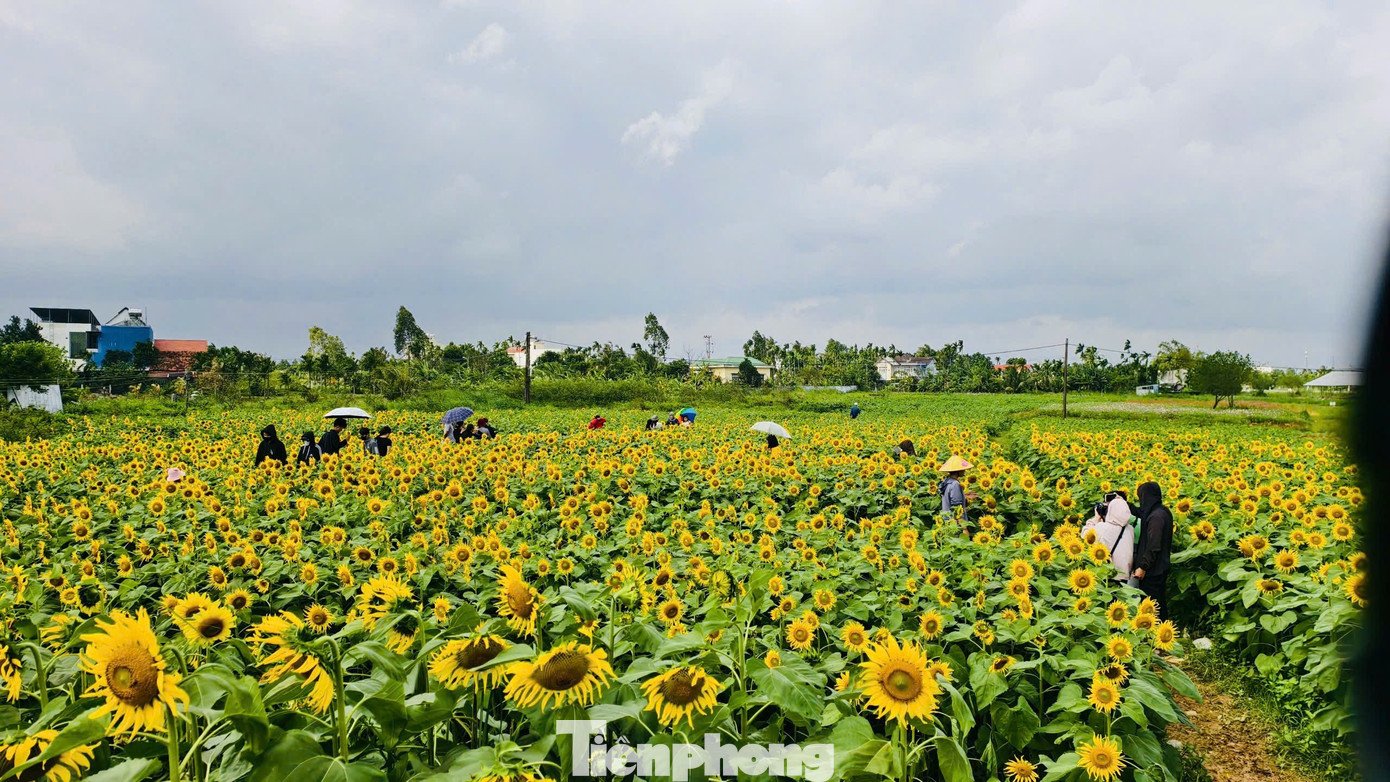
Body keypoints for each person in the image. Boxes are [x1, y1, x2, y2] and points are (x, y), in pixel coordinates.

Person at [1131, 481, 1174, 617]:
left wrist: (1143, 566)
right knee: (1159, 603)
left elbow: (1153, 545)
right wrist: (1123, 503)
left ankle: (1155, 634)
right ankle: (1164, 631)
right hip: (1160, 567)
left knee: (1151, 605)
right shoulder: (1161, 511)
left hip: (1152, 570)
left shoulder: (1155, 517)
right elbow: (1141, 512)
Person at [1083, 497, 1135, 584]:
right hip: (1124, 575)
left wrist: (1096, 518)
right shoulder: (1130, 529)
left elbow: (1086, 535)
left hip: (1107, 573)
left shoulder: (1102, 527)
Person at [938, 455, 972, 530]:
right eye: (963, 469)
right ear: (958, 471)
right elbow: (956, 508)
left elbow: (949, 499)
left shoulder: (947, 482)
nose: (964, 471)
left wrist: (964, 496)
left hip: (947, 521)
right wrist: (964, 528)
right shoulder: (955, 484)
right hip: (955, 524)